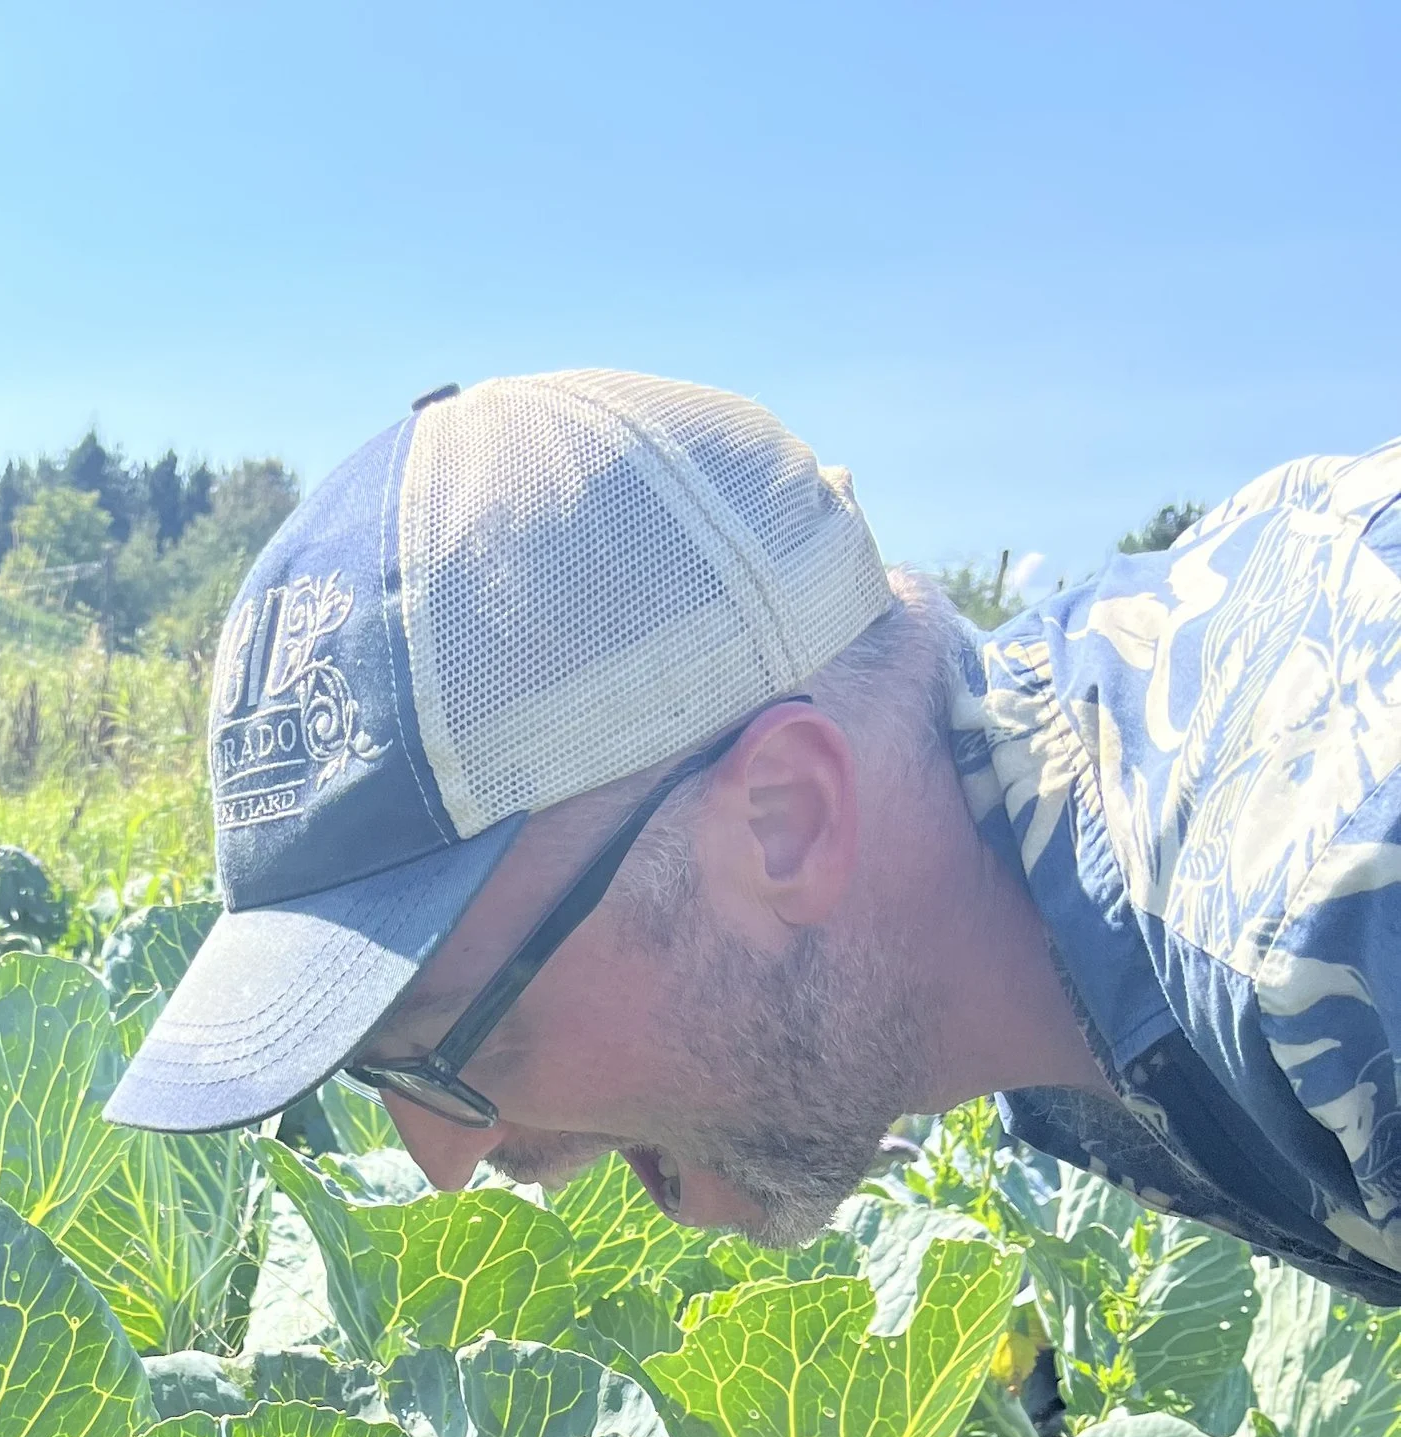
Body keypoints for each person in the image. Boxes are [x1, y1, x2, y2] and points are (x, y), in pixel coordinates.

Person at [105, 370, 1401, 1297]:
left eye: (464, 1040)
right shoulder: (1051, 965)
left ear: (786, 820)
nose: (445, 1163)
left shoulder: (1338, 891)